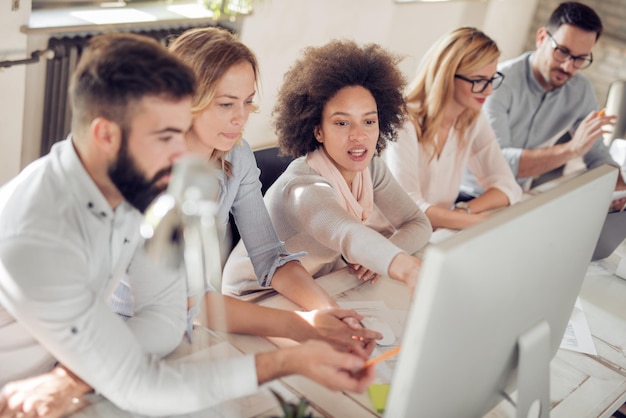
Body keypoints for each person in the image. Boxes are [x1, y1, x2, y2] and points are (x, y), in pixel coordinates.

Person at [0, 33, 374, 418]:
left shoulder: (132, 183)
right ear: (106, 136)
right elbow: (139, 382)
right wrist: (289, 361)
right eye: (166, 136)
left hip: (74, 377)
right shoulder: (38, 237)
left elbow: (168, 314)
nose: (183, 156)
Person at [108, 26, 379, 354]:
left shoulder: (236, 155)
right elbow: (183, 299)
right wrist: (302, 325)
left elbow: (268, 254)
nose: (240, 118)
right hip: (120, 332)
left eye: (247, 102)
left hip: (186, 329)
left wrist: (328, 311)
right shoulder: (143, 169)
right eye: (225, 104)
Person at [222, 39, 432, 297]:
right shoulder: (303, 189)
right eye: (342, 123)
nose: (359, 135)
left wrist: (381, 257)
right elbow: (347, 233)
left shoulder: (371, 168)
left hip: (316, 282)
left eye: (368, 121)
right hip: (257, 293)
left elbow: (418, 223)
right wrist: (404, 267)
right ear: (318, 130)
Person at [461, 2, 626, 204]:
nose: (568, 66)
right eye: (562, 51)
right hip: (469, 194)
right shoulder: (497, 82)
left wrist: (618, 188)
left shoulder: (581, 90)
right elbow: (497, 161)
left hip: (515, 198)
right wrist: (572, 149)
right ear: (541, 38)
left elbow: (597, 154)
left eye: (580, 59)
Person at [382, 27, 523, 231]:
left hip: (432, 234)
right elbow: (408, 208)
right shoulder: (403, 119)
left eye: (492, 79)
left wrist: (464, 210)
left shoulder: (471, 118)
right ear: (447, 75)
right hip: (387, 238)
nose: (489, 90)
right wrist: (478, 223)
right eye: (479, 81)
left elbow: (509, 187)